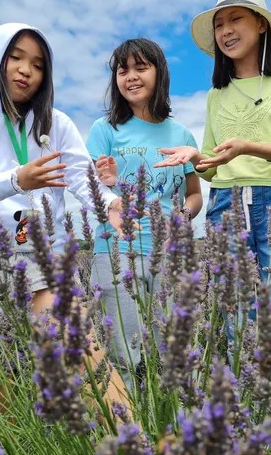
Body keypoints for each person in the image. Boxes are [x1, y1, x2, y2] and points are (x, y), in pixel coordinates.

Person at [0, 22, 129, 402]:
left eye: (38, 64)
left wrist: (109, 203)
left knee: (85, 359)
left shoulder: (55, 122)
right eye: (16, 57)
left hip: (42, 252)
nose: (26, 70)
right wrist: (16, 180)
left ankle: (131, 439)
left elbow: (80, 176)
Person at [156, 0, 271, 377]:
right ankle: (248, 422)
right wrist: (198, 159)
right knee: (237, 318)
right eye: (219, 25)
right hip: (225, 205)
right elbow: (212, 166)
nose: (226, 30)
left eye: (235, 19)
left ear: (261, 25)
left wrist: (249, 147)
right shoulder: (217, 95)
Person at [86, 38, 203, 385]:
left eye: (141, 68)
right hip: (117, 252)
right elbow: (93, 188)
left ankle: (173, 428)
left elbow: (194, 194)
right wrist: (105, 181)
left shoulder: (180, 133)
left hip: (168, 252)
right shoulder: (104, 129)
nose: (131, 77)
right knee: (125, 352)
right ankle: (132, 431)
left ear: (159, 72)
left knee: (172, 348)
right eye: (123, 71)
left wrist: (184, 216)